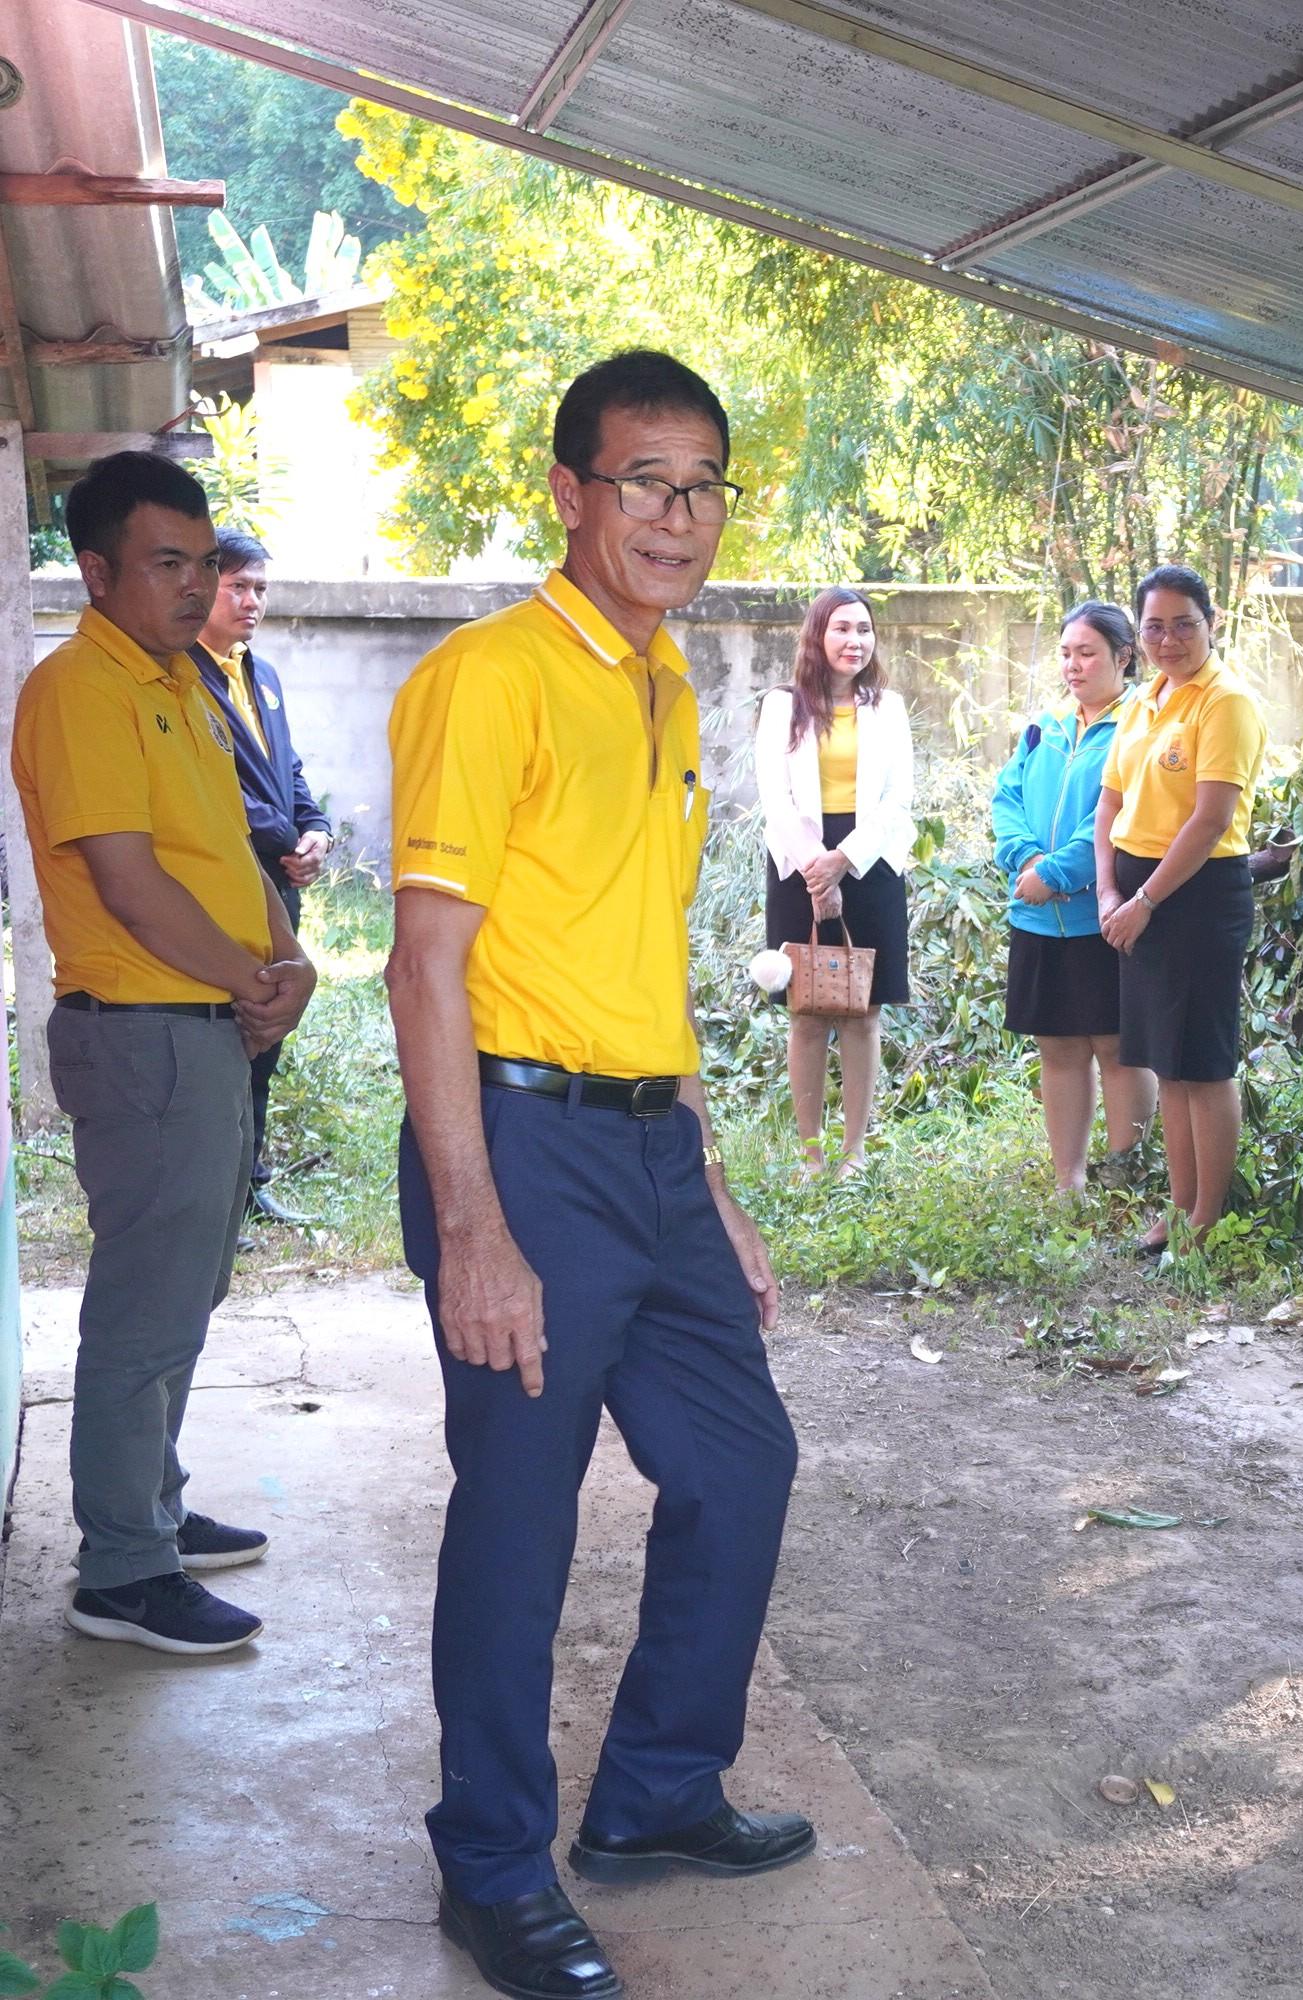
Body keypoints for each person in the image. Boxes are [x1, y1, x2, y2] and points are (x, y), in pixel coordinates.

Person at [385, 351, 807, 2000]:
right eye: (644, 480)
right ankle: (491, 1863)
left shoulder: (671, 689)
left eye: (701, 484)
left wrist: (707, 1181)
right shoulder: (487, 681)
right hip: (525, 1150)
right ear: (568, 493)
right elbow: (426, 966)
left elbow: (639, 964)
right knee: (521, 1513)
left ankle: (653, 1795)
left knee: (739, 1460)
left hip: (646, 1148)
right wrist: (474, 1224)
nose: (676, 515)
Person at [11, 452, 314, 1655]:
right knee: (147, 1300)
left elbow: (231, 856)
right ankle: (122, 1569)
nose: (195, 587)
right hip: (143, 1038)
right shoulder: (81, 688)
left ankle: (153, 1508)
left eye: (202, 562)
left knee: (189, 1287)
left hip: (206, 1031)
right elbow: (131, 887)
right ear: (95, 570)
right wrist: (253, 980)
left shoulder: (183, 683)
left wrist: (288, 962)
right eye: (165, 564)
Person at [1095, 563, 1268, 1257]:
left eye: (1183, 624)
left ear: (1212, 621)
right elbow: (1109, 802)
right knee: (1167, 1063)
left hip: (1195, 896)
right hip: (1137, 895)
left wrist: (1140, 899)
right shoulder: (1143, 701)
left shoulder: (1225, 702)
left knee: (1204, 1062)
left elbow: (1208, 820)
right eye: (1155, 626)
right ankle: (1178, 1204)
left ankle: (1208, 1218)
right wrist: (1109, 892)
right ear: (1139, 636)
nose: (1169, 639)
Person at [190, 527, 332, 1234]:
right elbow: (210, 788)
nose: (252, 601)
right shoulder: (180, 674)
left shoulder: (261, 674)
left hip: (282, 887)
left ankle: (251, 1186)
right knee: (229, 1040)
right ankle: (217, 1201)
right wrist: (285, 840)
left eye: (260, 589)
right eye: (238, 586)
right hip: (226, 891)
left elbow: (289, 773)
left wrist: (318, 832)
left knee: (267, 1043)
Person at [992, 602, 1154, 1193]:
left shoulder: (1139, 723)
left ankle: (1126, 1180)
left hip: (1104, 917)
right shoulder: (1047, 726)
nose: (1073, 666)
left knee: (1117, 1046)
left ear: (1123, 656)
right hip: (1037, 917)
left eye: (1087, 653)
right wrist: (1027, 861)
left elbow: (1115, 819)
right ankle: (1070, 1182)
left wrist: (1057, 873)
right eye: (1065, 653)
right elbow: (1005, 798)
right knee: (1057, 1046)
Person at [753, 585, 915, 1177]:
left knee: (862, 1010)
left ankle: (853, 1153)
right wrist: (818, 873)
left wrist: (843, 860)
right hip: (798, 861)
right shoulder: (782, 705)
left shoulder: (887, 708)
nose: (855, 640)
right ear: (818, 635)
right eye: (842, 628)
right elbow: (776, 797)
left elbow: (901, 796)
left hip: (870, 863)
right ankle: (810, 1155)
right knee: (809, 1011)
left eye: (864, 630)